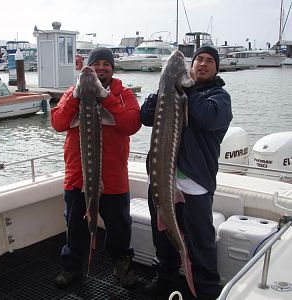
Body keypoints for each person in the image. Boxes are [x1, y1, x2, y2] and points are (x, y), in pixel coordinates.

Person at [140, 46, 233, 300]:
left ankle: (206, 292)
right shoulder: (172, 91)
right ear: (191, 66)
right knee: (163, 237)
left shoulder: (219, 97)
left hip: (194, 185)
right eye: (199, 59)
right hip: (161, 178)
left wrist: (189, 89)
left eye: (209, 61)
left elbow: (209, 118)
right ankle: (166, 280)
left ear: (217, 68)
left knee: (200, 244)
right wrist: (164, 84)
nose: (203, 64)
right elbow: (145, 116)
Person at [51, 47, 142, 289]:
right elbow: (58, 123)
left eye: (106, 64)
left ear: (113, 68)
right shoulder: (72, 93)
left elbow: (132, 124)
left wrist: (105, 97)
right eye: (96, 64)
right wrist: (76, 97)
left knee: (119, 227)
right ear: (86, 68)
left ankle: (121, 267)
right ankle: (72, 267)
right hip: (77, 176)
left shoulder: (124, 94)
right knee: (75, 225)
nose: (101, 68)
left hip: (113, 177)